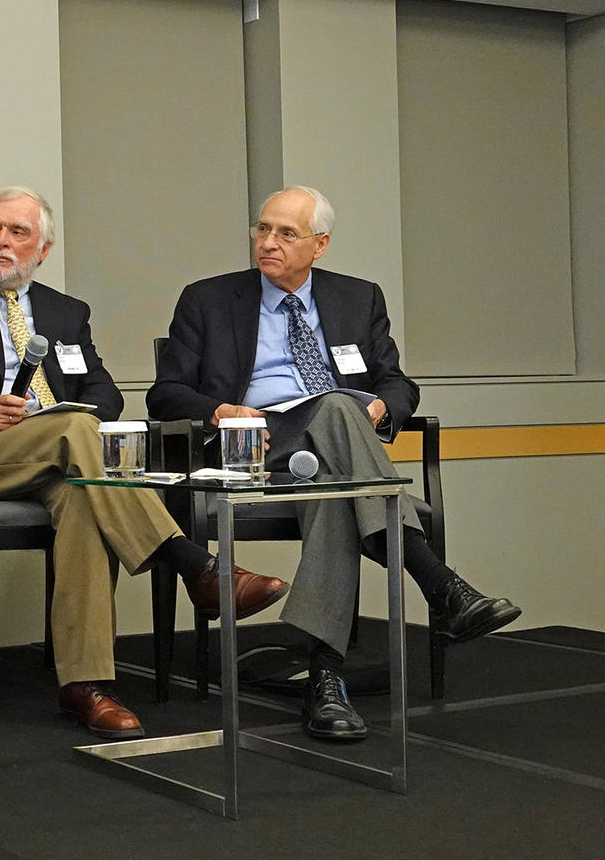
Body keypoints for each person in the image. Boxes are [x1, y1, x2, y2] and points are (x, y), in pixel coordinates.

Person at [0, 186, 287, 738]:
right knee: (79, 434)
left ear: (43, 249)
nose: (0, 241)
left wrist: (75, 414)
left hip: (64, 459)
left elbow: (104, 392)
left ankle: (85, 685)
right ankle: (195, 564)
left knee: (84, 494)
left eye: (17, 232)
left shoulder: (65, 311)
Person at [148, 185, 522, 739]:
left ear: (320, 244)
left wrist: (380, 404)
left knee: (335, 466)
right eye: (262, 229)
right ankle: (436, 581)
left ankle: (325, 679)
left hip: (333, 455)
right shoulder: (207, 299)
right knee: (336, 409)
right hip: (252, 446)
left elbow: (397, 382)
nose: (267, 242)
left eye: (286, 233)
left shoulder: (358, 298)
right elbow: (166, 394)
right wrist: (222, 410)